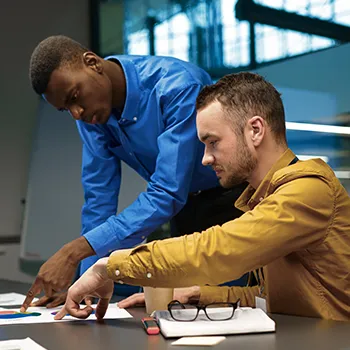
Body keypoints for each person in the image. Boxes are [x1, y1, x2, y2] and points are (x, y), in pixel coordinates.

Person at [55, 72, 350, 322]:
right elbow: (273, 298)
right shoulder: (263, 197)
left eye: (212, 142)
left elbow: (218, 249)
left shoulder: (308, 190)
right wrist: (198, 294)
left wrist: (110, 266)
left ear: (256, 130)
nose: (205, 159)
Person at [21, 36, 247, 311]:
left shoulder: (178, 86)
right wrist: (86, 284)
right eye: (65, 109)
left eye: (74, 98)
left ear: (92, 63)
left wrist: (74, 252)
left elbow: (165, 193)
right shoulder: (93, 118)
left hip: (234, 203)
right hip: (185, 210)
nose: (76, 113)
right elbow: (98, 200)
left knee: (235, 308)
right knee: (187, 310)